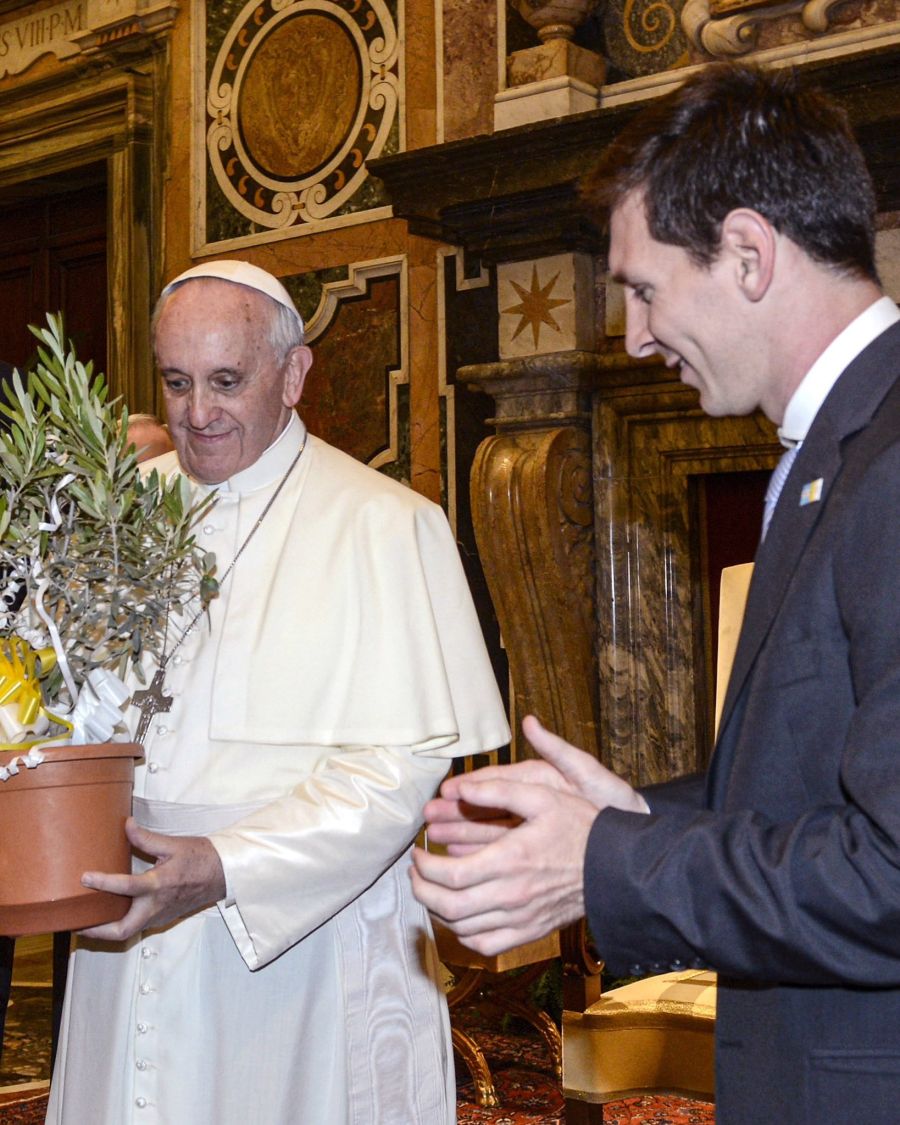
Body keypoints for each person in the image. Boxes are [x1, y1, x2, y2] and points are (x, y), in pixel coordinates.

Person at [411, 62, 900, 1124]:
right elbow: (817, 801)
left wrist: (608, 863)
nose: (632, 337)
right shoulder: (840, 449)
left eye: (642, 288)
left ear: (750, 255)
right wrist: (629, 813)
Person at [47, 259, 510, 1123]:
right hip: (128, 909)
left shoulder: (385, 523)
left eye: (227, 381)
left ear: (293, 375)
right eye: (177, 383)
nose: (197, 413)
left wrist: (228, 865)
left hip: (300, 945)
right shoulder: (125, 511)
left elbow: (398, 769)